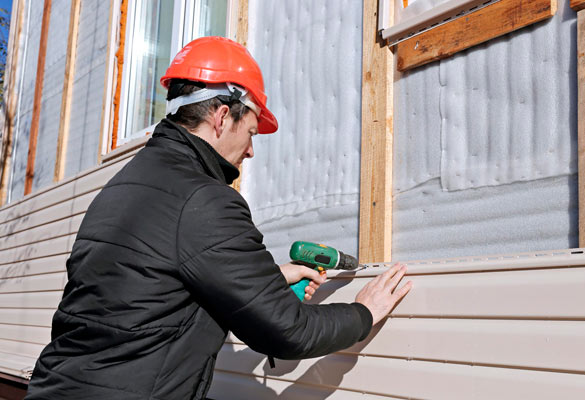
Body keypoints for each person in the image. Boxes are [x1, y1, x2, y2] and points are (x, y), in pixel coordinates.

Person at [24, 36, 412, 399]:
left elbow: (151, 288)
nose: (251, 151)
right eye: (252, 131)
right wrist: (364, 311)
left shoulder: (125, 186)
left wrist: (271, 277)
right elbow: (288, 331)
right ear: (222, 116)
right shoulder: (203, 198)